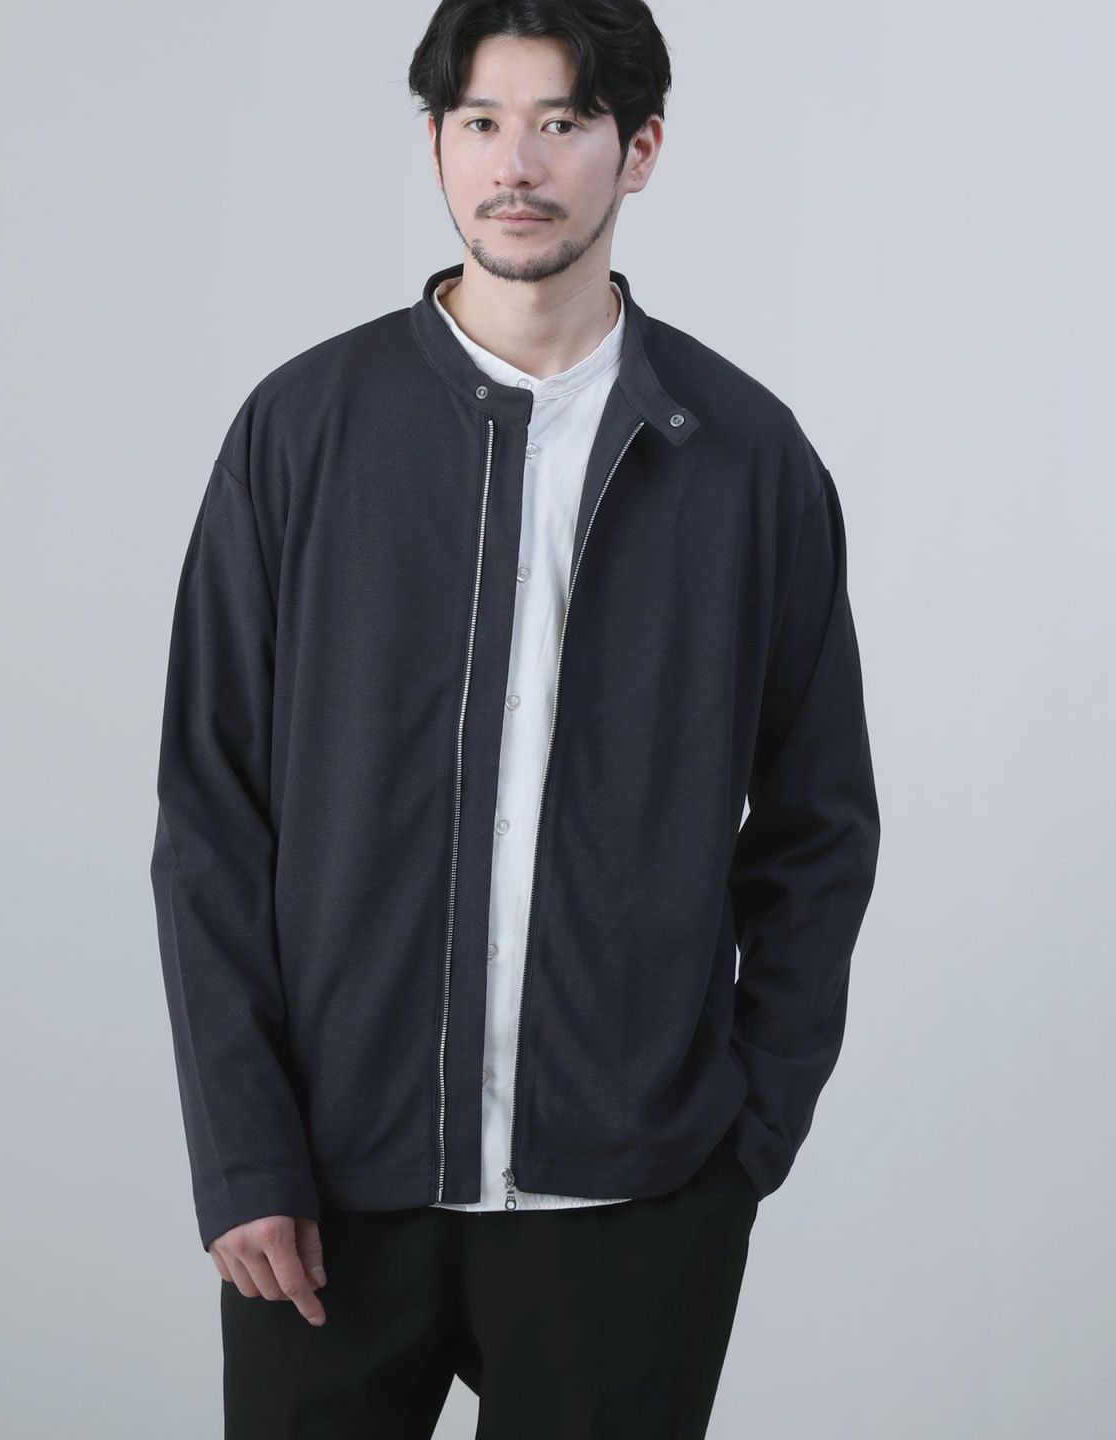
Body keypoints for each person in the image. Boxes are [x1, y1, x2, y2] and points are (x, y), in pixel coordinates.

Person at [149, 1, 881, 1434]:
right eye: (481, 122)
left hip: (633, 1202)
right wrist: (243, 1155)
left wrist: (743, 1138)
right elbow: (211, 817)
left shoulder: (748, 460)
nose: (517, 165)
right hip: (331, 1191)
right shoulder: (303, 431)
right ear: (436, 145)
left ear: (639, 149)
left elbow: (818, 827)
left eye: (563, 122)